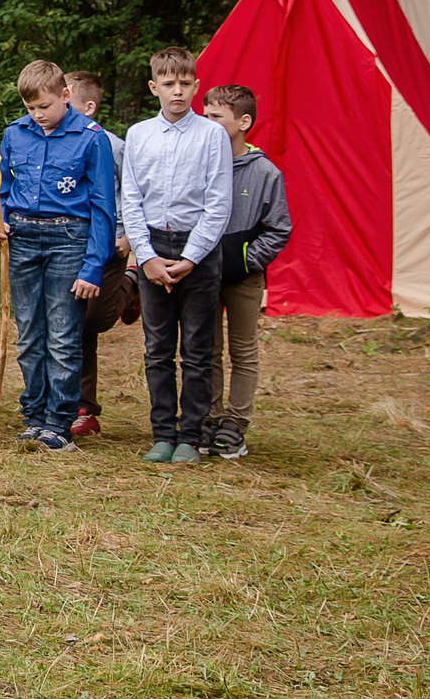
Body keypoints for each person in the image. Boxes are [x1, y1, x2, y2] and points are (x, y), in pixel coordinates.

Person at [0, 59, 119, 453]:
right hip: (24, 239)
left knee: (63, 334)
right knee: (30, 335)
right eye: (31, 108)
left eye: (45, 106)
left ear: (65, 96)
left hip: (68, 239)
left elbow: (103, 208)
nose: (38, 115)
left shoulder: (92, 138)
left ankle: (60, 421)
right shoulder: (15, 134)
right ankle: (34, 415)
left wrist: (94, 266)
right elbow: (4, 190)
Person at [119, 47, 233, 464]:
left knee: (199, 348)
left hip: (196, 251)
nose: (178, 91)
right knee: (158, 347)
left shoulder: (212, 135)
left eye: (185, 83)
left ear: (197, 86)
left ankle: (193, 433)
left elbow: (219, 201)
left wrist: (193, 257)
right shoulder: (139, 135)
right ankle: (163, 432)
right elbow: (131, 198)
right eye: (169, 84)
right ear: (155, 87)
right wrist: (146, 257)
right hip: (153, 246)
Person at [201, 84, 291, 461]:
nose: (207, 124)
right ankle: (208, 417)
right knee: (207, 349)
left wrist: (247, 259)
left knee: (242, 350)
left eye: (215, 118)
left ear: (243, 122)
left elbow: (279, 227)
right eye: (204, 117)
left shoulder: (265, 172)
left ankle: (235, 425)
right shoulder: (199, 163)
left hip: (244, 277)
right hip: (202, 271)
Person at [65, 70, 129, 439]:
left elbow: (126, 193)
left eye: (66, 101)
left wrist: (126, 237)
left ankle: (131, 285)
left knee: (94, 319)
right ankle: (82, 405)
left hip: (109, 246)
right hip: (71, 243)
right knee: (75, 323)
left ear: (88, 108)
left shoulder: (114, 145)